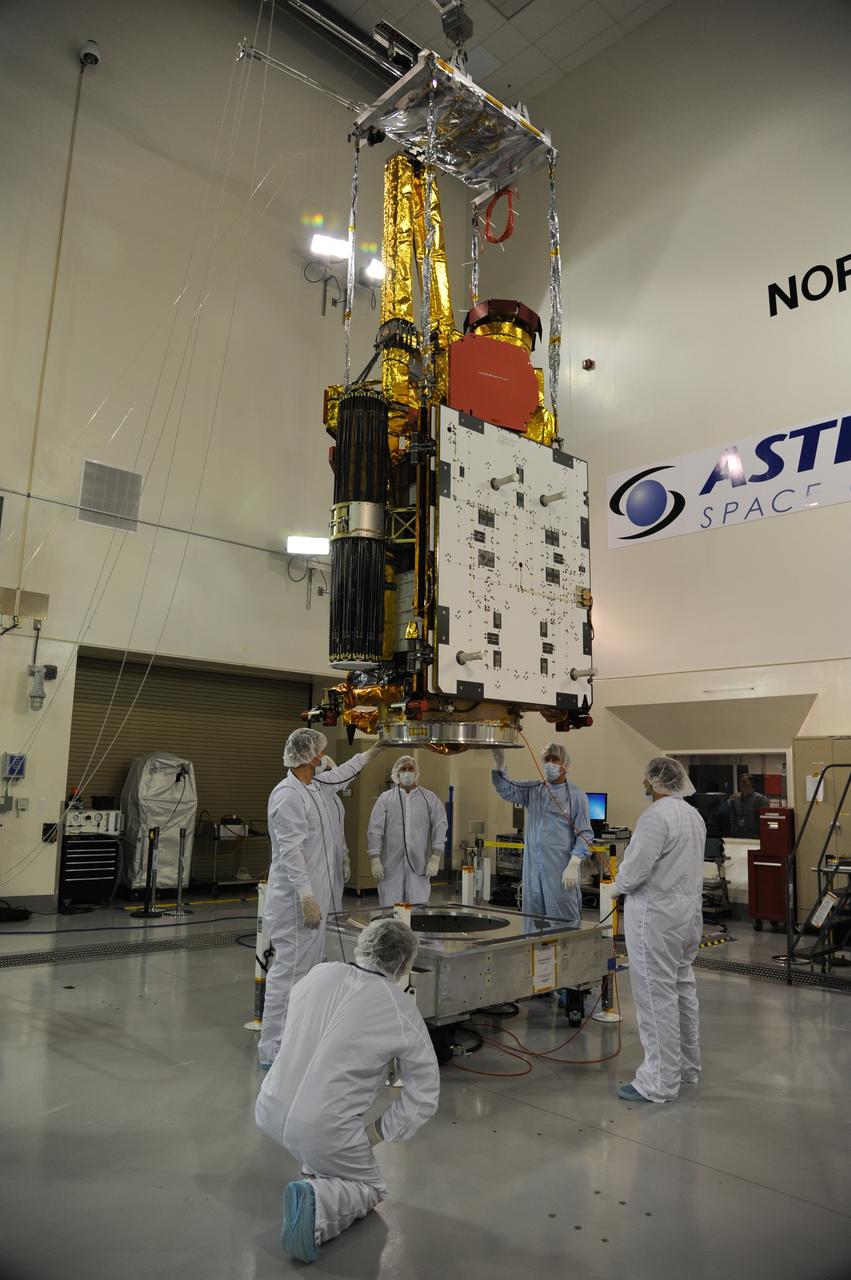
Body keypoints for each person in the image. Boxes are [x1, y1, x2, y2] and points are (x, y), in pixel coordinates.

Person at [256, 918, 440, 1265]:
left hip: (270, 1104)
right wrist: (375, 1132)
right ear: (403, 963)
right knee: (371, 1188)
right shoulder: (400, 1007)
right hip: (321, 1129)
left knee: (321, 1144)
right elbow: (424, 1093)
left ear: (364, 943)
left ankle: (317, 1167)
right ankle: (317, 1206)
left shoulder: (318, 974)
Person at [258, 727, 387, 1068]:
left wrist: (374, 752)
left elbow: (343, 772)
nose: (324, 756)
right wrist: (305, 896)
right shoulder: (288, 795)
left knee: (307, 974)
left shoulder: (315, 786)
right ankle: (273, 1050)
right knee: (288, 975)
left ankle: (296, 1041)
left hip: (317, 896)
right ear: (308, 756)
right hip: (296, 902)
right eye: (320, 751)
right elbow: (291, 851)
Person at [613, 756, 706, 1104]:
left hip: (656, 919)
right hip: (686, 918)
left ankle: (658, 1082)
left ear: (655, 782)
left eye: (646, 778)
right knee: (682, 990)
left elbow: (636, 869)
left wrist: (615, 885)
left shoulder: (655, 818)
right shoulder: (693, 816)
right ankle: (686, 1067)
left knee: (655, 997)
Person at [490, 741, 593, 927]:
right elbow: (507, 789)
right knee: (533, 921)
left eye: (555, 759)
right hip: (533, 872)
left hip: (560, 871)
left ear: (565, 765)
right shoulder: (534, 790)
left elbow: (584, 832)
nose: (550, 763)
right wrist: (500, 766)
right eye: (547, 759)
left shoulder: (577, 796)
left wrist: (574, 862)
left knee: (562, 921)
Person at [367, 755, 448, 907]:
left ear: (417, 772)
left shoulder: (429, 798)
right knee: (390, 910)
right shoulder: (386, 799)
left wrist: (436, 857)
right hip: (391, 867)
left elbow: (440, 826)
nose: (407, 772)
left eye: (411, 769)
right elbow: (375, 830)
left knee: (418, 911)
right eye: (403, 769)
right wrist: (375, 858)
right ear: (397, 773)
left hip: (419, 866)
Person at [316, 755, 350, 913]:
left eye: (332, 771)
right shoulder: (313, 798)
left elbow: (340, 832)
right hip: (317, 861)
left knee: (335, 902)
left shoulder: (337, 801)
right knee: (319, 902)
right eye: (327, 771)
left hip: (335, 859)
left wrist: (344, 857)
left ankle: (332, 934)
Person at [730, 773, 768, 838]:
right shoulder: (736, 800)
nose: (742, 784)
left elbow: (765, 821)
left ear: (751, 783)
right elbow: (733, 819)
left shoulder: (761, 799)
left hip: (755, 837)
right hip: (739, 836)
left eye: (744, 782)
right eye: (740, 782)